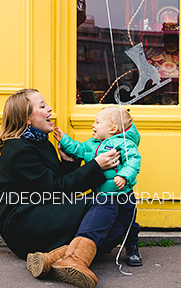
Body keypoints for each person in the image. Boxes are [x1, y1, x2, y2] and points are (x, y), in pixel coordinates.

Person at [0, 89, 121, 288]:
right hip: (22, 223)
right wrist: (96, 165)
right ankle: (75, 259)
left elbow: (52, 186)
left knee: (118, 221)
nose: (50, 108)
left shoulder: (40, 142)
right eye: (42, 106)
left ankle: (52, 259)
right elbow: (56, 190)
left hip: (42, 210)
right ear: (26, 118)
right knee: (106, 203)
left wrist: (68, 162)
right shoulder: (18, 150)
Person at [52, 105, 142, 269]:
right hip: (102, 194)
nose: (93, 125)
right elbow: (78, 150)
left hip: (123, 194)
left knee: (129, 222)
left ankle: (132, 247)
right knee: (103, 222)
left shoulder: (124, 144)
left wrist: (124, 176)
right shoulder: (92, 144)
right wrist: (64, 140)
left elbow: (133, 162)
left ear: (113, 128)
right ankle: (91, 248)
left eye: (97, 122)